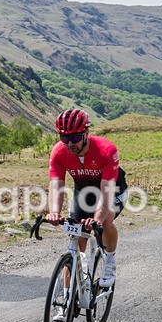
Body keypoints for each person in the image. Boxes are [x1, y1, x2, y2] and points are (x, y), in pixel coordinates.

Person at [46, 109, 128, 306]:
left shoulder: (106, 150)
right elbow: (56, 185)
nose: (70, 143)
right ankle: (66, 298)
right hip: (83, 192)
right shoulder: (59, 151)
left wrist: (97, 218)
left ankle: (109, 260)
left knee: (106, 220)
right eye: (64, 138)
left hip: (113, 189)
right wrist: (54, 212)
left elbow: (107, 192)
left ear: (86, 133)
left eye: (74, 137)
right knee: (75, 238)